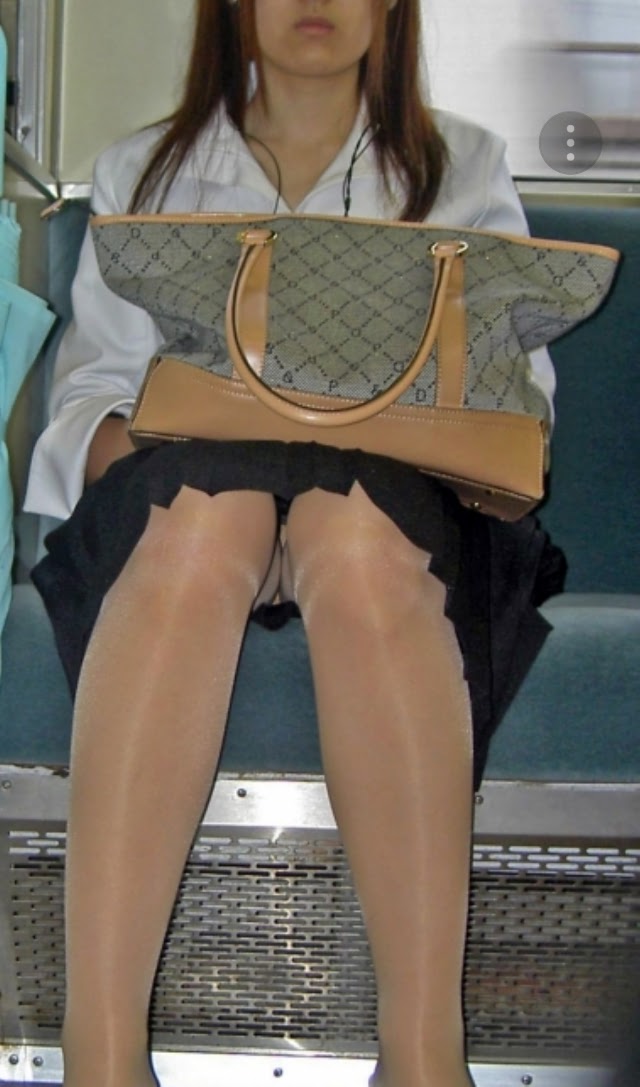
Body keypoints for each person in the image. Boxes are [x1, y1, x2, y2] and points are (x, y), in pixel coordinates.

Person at [24, 2, 565, 1086]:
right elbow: (86, 413)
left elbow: (517, 417)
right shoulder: (145, 171)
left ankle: (424, 1061)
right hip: (180, 499)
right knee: (207, 511)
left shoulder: (461, 167)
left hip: (394, 510)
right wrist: (207, 419)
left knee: (350, 524)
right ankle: (102, 1059)